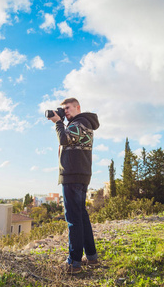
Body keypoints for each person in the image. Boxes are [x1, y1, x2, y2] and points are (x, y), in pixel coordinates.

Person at [48, 98, 100, 274]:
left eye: (67, 108)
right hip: (80, 174)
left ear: (78, 107)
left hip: (73, 176)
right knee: (81, 217)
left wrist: (58, 122)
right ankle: (92, 257)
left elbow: (64, 139)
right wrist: (62, 121)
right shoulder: (81, 123)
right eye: (63, 109)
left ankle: (74, 263)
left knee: (73, 220)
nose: (65, 111)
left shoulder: (80, 122)